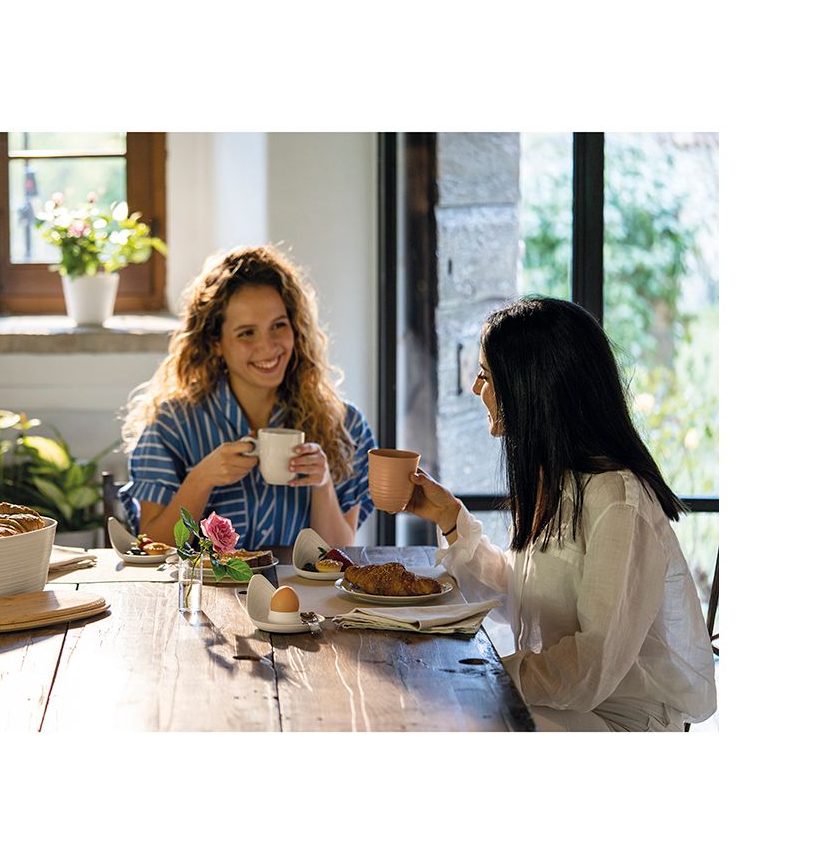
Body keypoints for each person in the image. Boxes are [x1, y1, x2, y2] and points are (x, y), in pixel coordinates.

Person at [404, 296, 717, 732]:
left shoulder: (618, 501)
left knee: (451, 721)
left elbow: (591, 665)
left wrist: (485, 675)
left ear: (531, 387)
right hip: (568, 707)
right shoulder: (556, 480)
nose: (477, 389)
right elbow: (519, 593)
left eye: (486, 375)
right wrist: (451, 518)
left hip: (622, 724)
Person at [119, 245, 376, 549]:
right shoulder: (171, 425)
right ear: (215, 342)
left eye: (278, 326)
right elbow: (153, 547)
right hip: (203, 583)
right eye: (246, 333)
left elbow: (337, 554)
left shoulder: (344, 425)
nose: (268, 346)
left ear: (296, 329)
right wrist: (201, 479)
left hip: (298, 584)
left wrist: (322, 485)